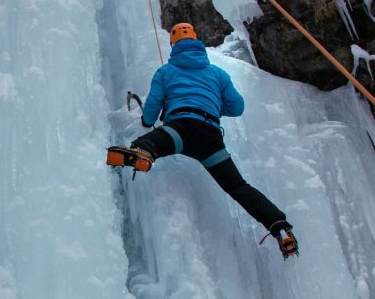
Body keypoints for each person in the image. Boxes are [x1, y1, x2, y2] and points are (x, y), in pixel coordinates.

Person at [108, 22, 298, 258]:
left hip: (180, 129)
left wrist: (149, 121)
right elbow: (237, 107)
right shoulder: (217, 73)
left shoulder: (166, 71)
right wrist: (213, 106)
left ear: (173, 44)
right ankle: (280, 226)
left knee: (148, 143)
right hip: (210, 138)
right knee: (238, 187)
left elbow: (151, 112)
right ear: (196, 41)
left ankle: (143, 153)